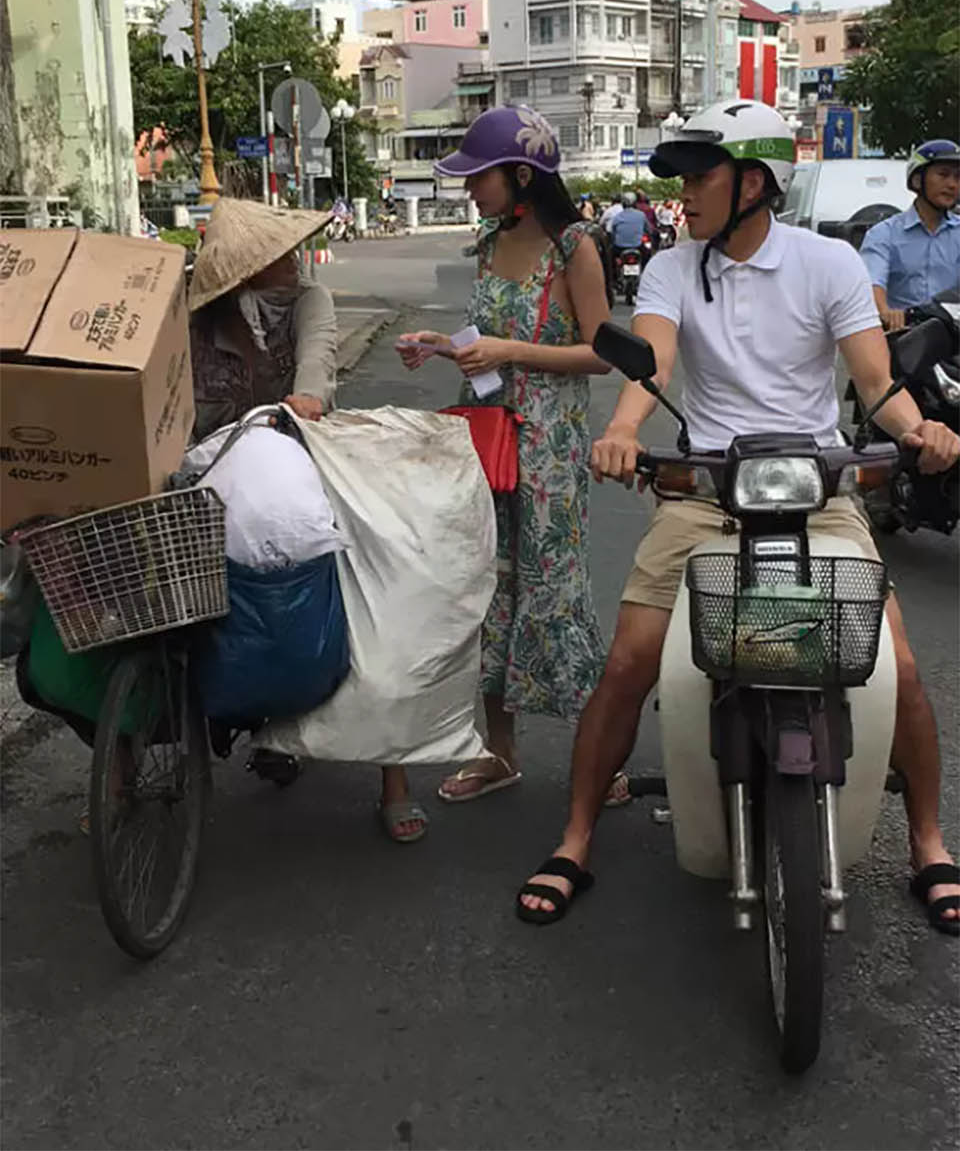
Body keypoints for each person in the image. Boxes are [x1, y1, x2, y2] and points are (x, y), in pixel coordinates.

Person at [517, 100, 960, 934]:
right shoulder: (672, 268)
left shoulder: (827, 263)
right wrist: (620, 433)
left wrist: (922, 429)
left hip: (818, 490)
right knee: (629, 663)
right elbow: (652, 358)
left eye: (699, 176)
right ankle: (575, 835)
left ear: (754, 182)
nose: (684, 194)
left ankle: (930, 843)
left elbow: (874, 383)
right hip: (704, 492)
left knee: (896, 662)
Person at [396, 105, 617, 802]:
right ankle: (500, 751)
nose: (469, 190)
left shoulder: (574, 246)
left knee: (554, 597)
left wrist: (510, 351)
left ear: (522, 175)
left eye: (478, 177)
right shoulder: (488, 244)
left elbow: (601, 353)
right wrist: (441, 343)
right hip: (488, 442)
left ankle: (600, 759)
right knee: (490, 595)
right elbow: (483, 340)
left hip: (550, 452)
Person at [190, 198, 427, 843]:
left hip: (304, 458)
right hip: (211, 477)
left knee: (371, 593)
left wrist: (306, 398)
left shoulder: (309, 302)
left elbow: (317, 363)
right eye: (276, 257)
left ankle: (394, 781)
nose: (292, 262)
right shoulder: (196, 321)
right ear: (245, 271)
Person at [859, 139, 960, 331]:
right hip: (904, 338)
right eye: (943, 175)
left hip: (954, 340)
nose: (952, 184)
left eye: (958, 177)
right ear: (917, 180)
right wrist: (886, 311)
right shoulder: (883, 235)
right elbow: (872, 282)